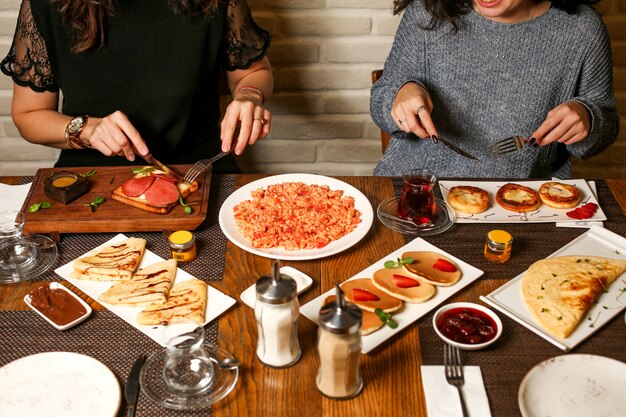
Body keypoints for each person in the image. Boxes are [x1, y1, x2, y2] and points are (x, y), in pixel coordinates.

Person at [1, 0, 273, 173]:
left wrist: (249, 96)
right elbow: (28, 115)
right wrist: (87, 129)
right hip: (92, 178)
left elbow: (254, 72)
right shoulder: (47, 4)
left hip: (201, 170)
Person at [371, 0, 618, 178]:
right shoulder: (428, 12)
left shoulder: (582, 29)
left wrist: (588, 116)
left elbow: (603, 128)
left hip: (522, 201)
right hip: (416, 187)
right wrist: (400, 94)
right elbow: (381, 100)